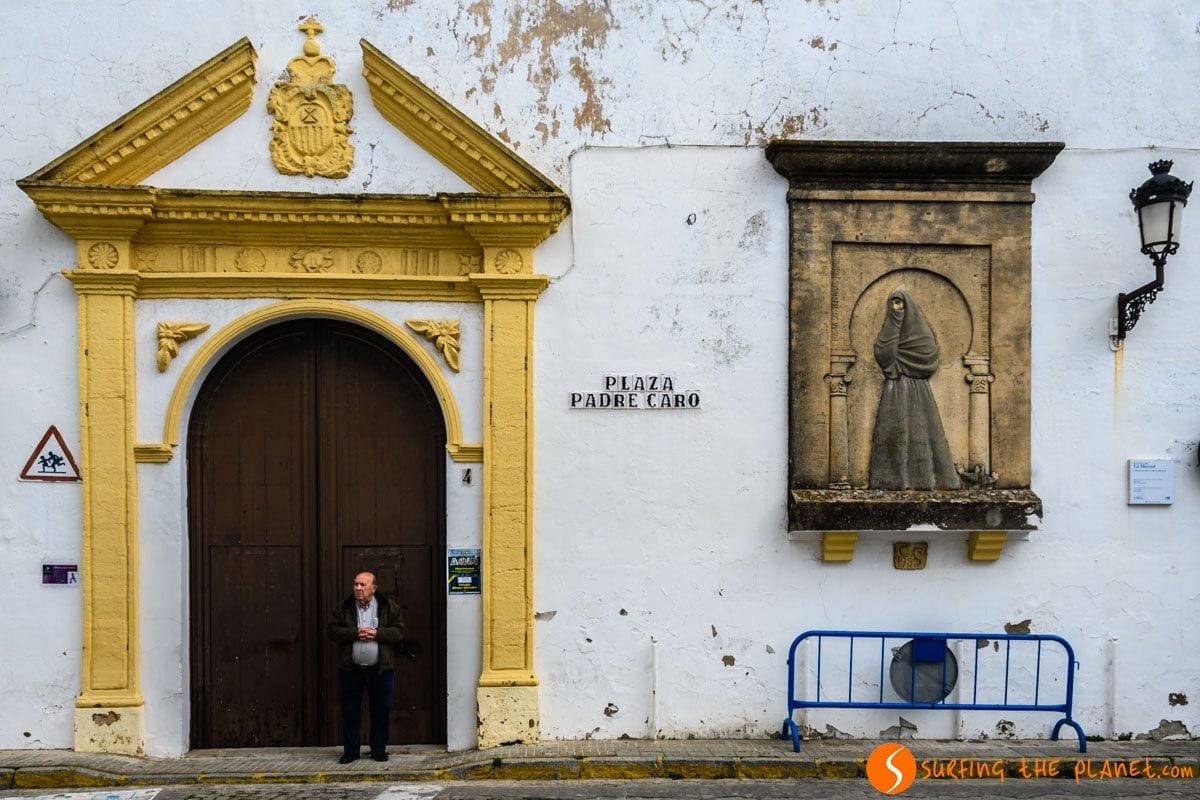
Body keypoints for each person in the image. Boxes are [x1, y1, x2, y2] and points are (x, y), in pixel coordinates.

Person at [868, 288, 961, 490]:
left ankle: (926, 480)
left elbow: (929, 357)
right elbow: (884, 356)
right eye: (893, 303)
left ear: (908, 305)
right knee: (892, 432)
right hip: (894, 390)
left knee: (922, 432)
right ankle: (890, 480)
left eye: (900, 303)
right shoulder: (889, 329)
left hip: (919, 393)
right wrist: (894, 324)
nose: (896, 307)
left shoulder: (923, 335)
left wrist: (903, 363)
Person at [326, 571, 405, 763]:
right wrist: (355, 633)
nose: (358, 588)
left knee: (380, 710)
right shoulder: (344, 607)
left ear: (374, 588)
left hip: (380, 669)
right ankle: (351, 752)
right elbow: (332, 631)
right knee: (350, 711)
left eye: (363, 585)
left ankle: (378, 750)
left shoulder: (389, 607)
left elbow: (399, 632)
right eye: (356, 584)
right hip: (352, 670)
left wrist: (378, 634)